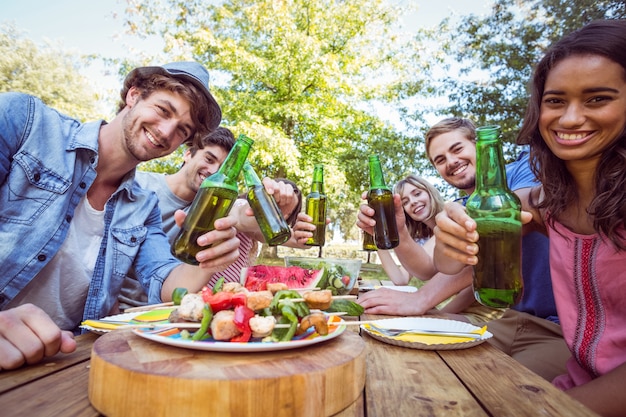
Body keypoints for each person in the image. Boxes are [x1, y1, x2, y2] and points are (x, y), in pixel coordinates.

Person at [432, 20, 626, 416]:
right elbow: (449, 261)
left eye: (597, 99)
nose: (570, 119)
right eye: (556, 101)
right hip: (575, 377)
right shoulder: (541, 201)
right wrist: (451, 230)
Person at [0, 61, 241, 370]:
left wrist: (209, 259)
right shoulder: (26, 123)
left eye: (182, 130)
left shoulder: (144, 205)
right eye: (164, 110)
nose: (167, 132)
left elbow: (165, 282)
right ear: (134, 94)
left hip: (67, 360)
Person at [358, 117, 570, 381]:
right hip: (511, 319)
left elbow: (504, 223)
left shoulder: (524, 170)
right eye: (440, 159)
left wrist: (421, 300)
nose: (451, 161)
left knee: (497, 387)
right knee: (413, 367)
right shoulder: (461, 203)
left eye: (457, 149)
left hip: (562, 328)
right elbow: (428, 269)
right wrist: (400, 231)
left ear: (479, 144)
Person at [118, 126, 304, 308]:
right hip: (118, 309)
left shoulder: (213, 205)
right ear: (188, 154)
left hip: (169, 306)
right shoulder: (138, 186)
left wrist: (272, 208)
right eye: (209, 159)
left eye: (224, 168)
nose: (214, 171)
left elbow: (241, 216)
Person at [375, 174, 444, 286]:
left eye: (417, 194)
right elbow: (401, 279)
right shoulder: (422, 240)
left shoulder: (452, 219)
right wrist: (376, 234)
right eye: (405, 202)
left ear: (430, 192)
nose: (413, 202)